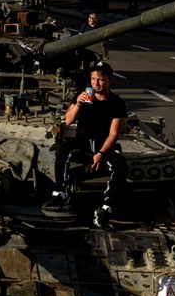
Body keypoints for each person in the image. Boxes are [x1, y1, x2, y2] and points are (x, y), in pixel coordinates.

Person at [43, 61, 128, 229]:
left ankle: (105, 208)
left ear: (109, 80)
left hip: (104, 145)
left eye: (101, 79)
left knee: (120, 165)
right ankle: (60, 193)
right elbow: (68, 120)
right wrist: (78, 104)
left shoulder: (117, 103)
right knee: (63, 151)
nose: (96, 83)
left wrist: (101, 153)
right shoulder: (83, 97)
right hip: (82, 142)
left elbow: (113, 134)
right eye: (93, 79)